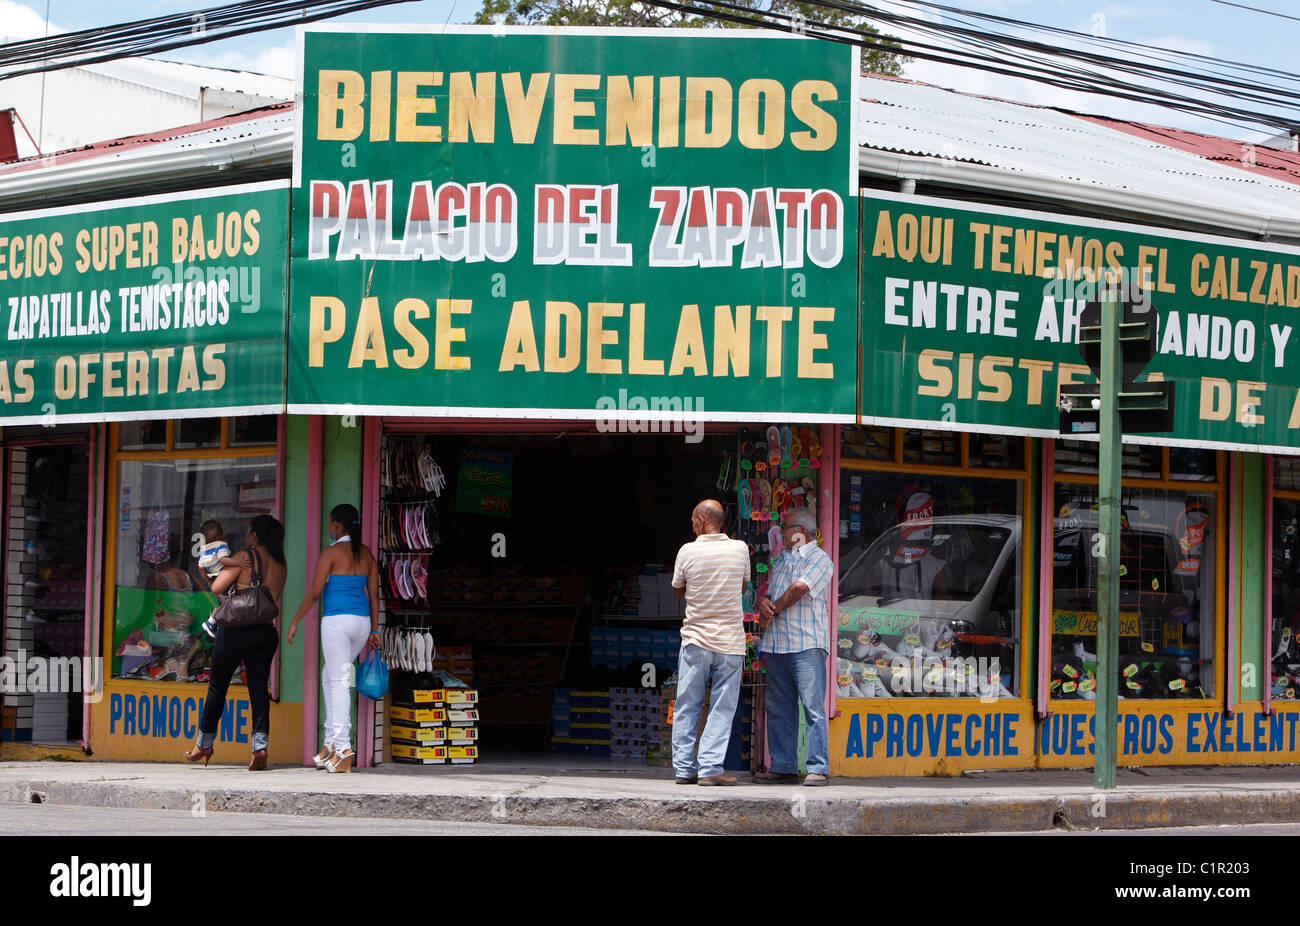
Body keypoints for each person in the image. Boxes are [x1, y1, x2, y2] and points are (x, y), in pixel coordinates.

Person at [183, 515, 287, 771]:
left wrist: (204, 573)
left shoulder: (246, 557)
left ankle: (204, 744)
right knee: (258, 689)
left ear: (255, 535)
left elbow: (218, 588)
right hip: (264, 633)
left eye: (249, 532)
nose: (246, 536)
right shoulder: (281, 565)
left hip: (235, 630)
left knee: (218, 687)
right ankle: (259, 747)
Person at [286, 503, 380, 773]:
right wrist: (375, 630)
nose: (329, 528)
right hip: (361, 624)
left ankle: (343, 747)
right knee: (332, 676)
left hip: (337, 623)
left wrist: (295, 620)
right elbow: (374, 595)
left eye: (330, 524)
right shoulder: (367, 554)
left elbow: (315, 593)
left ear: (337, 525)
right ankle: (329, 744)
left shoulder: (330, 553)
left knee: (338, 681)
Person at [670, 499, 750, 786]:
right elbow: (742, 587)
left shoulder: (687, 551)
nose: (691, 522)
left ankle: (684, 769)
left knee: (687, 705)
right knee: (721, 707)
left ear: (703, 519)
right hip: (729, 642)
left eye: (694, 517)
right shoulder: (740, 549)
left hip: (695, 640)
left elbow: (678, 591)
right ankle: (710, 768)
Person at [755, 506, 835, 786]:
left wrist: (774, 607)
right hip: (777, 646)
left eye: (785, 526)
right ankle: (784, 766)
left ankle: (817, 767)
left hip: (806, 646)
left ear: (800, 531)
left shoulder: (819, 558)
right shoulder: (782, 561)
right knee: (779, 708)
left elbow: (800, 589)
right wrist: (764, 603)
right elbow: (771, 597)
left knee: (812, 707)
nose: (780, 531)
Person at [197, 520, 240, 638]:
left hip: (213, 578)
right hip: (223, 577)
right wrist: (238, 562)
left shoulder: (203, 550)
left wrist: (208, 581)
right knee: (229, 601)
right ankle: (212, 622)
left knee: (223, 602)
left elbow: (201, 568)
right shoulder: (221, 545)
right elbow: (223, 560)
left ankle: (216, 623)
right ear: (222, 534)